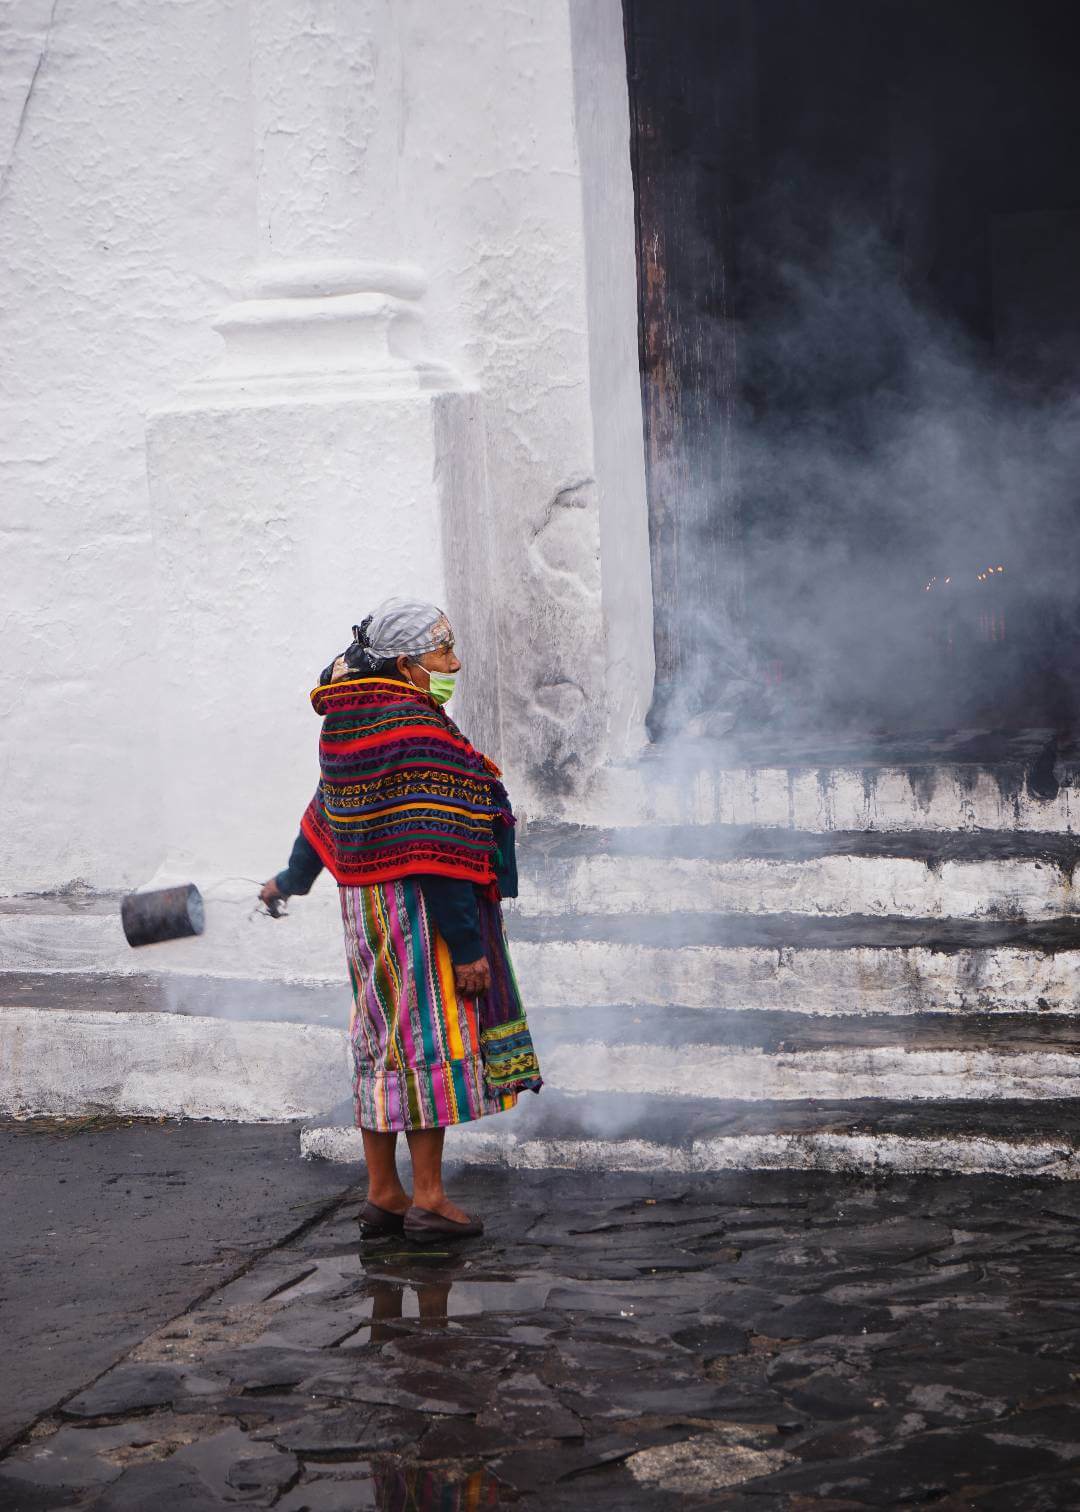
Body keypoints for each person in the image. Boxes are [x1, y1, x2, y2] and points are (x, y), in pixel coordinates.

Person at [260, 597, 542, 1243]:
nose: (454, 662)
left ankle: (383, 1194)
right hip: (418, 913)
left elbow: (327, 808)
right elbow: (435, 850)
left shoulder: (350, 720)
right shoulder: (414, 731)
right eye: (442, 652)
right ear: (406, 663)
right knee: (424, 1045)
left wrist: (293, 879)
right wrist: (467, 948)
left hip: (365, 912)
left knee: (379, 1042)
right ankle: (430, 1199)